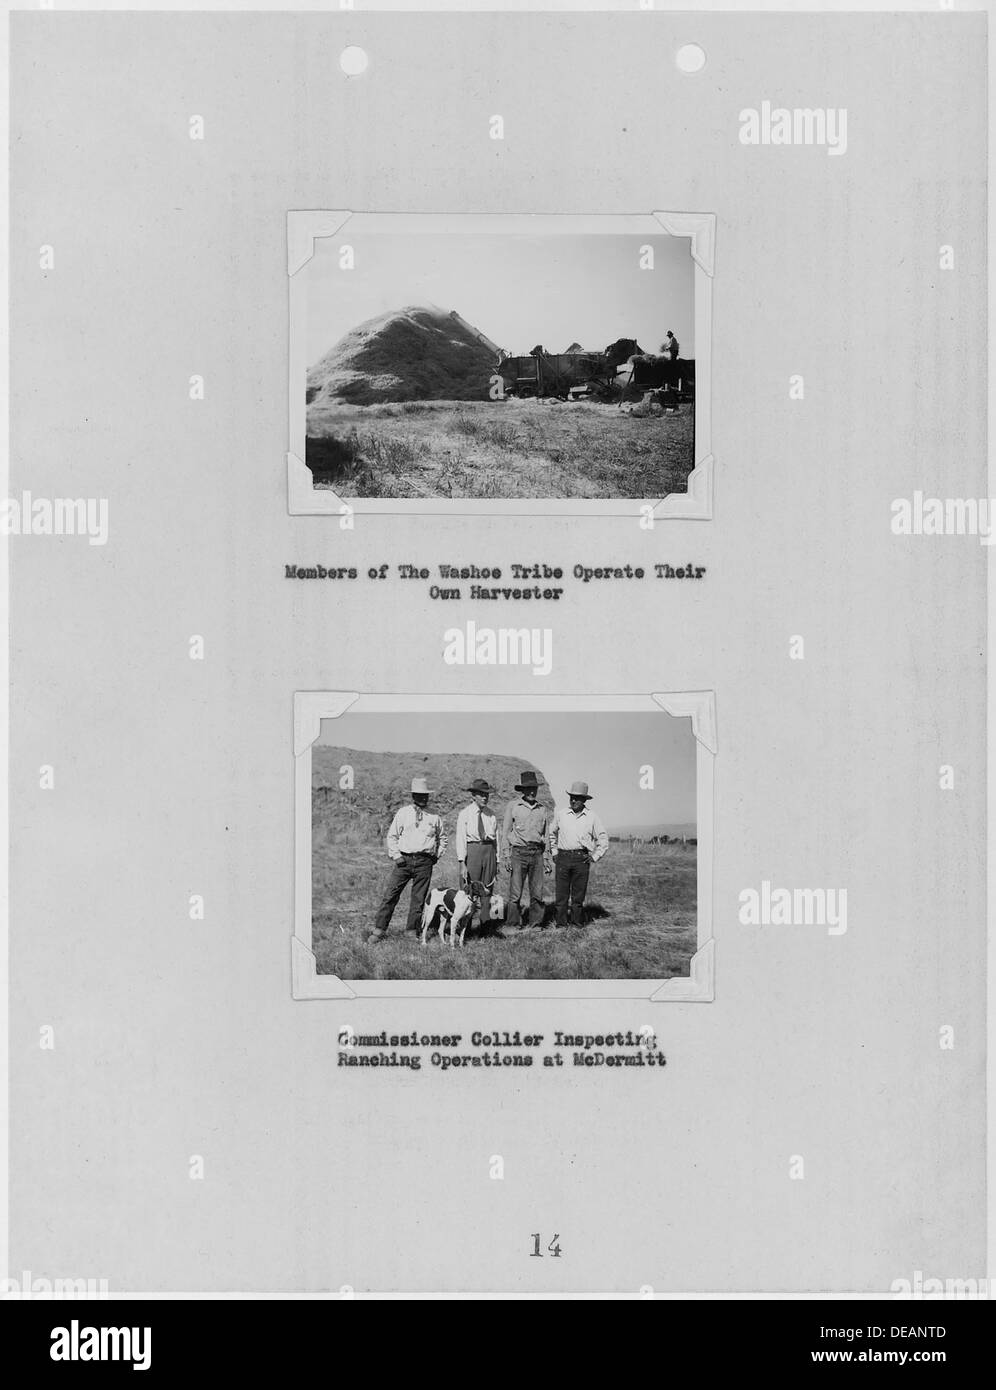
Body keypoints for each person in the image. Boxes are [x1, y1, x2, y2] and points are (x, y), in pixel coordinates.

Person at [367, 777, 447, 942]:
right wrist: (396, 856)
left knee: (418, 899)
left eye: (425, 795)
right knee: (391, 895)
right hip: (404, 861)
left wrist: (435, 856)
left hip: (425, 862)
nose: (422, 798)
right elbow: (392, 836)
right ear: (413, 795)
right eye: (419, 795)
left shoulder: (435, 816)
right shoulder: (403, 813)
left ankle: (411, 931)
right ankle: (379, 930)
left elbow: (443, 839)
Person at [550, 782, 609, 928]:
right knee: (561, 895)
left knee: (578, 895)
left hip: (581, 859)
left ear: (584, 800)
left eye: (577, 798)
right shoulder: (562, 814)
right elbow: (551, 833)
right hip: (562, 858)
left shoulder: (592, 817)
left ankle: (576, 924)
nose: (573, 801)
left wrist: (594, 856)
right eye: (571, 797)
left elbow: (603, 839)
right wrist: (554, 852)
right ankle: (561, 924)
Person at [501, 771, 552, 929]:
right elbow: (506, 832)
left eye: (534, 788)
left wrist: (546, 858)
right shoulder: (513, 806)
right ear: (522, 790)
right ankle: (513, 924)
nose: (531, 792)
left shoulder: (542, 809)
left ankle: (535, 924)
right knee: (515, 893)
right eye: (528, 788)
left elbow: (546, 835)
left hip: (537, 853)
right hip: (518, 853)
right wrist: (506, 855)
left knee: (537, 892)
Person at [456, 778, 501, 928]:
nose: (484, 797)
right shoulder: (465, 814)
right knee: (469, 890)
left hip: (489, 852)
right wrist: (462, 862)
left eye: (486, 794)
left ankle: (485, 926)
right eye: (481, 794)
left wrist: (497, 860)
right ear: (473, 796)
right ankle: (465, 928)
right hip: (473, 851)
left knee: (487, 890)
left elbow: (497, 839)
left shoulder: (491, 815)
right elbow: (460, 839)